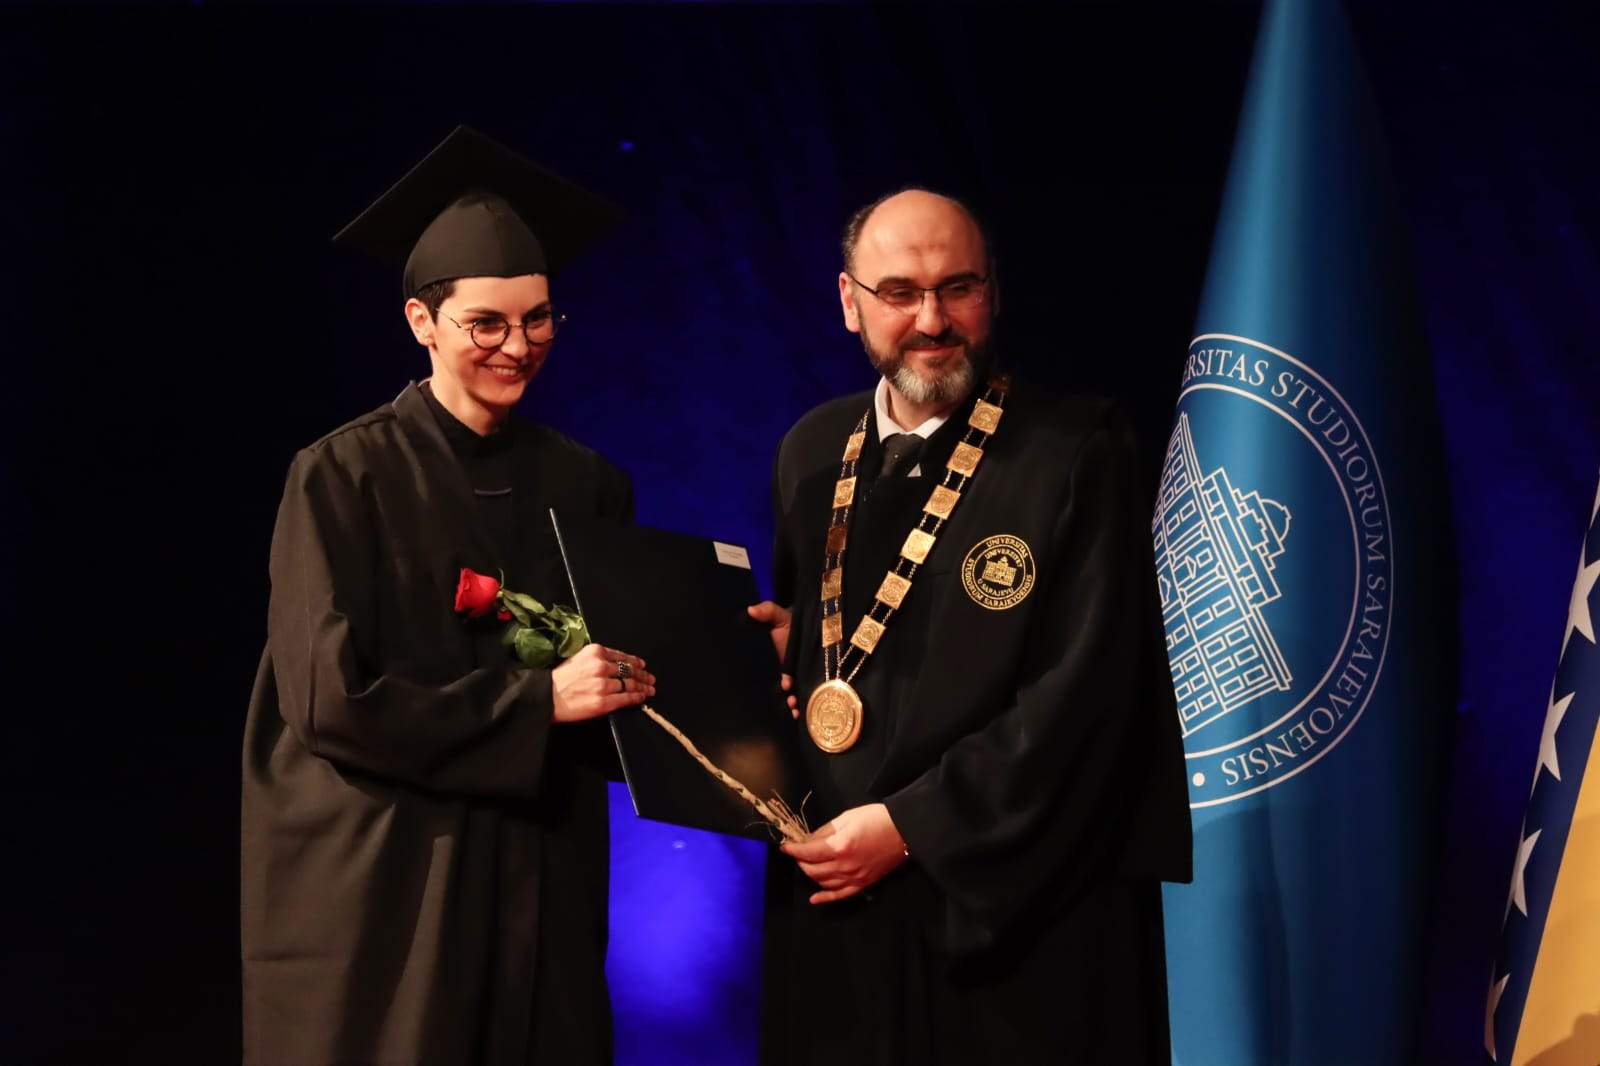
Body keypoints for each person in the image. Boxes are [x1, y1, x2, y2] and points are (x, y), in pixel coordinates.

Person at [748, 188, 1193, 1064]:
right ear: (849, 302)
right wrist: (773, 662)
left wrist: (911, 825)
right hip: (841, 896)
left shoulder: (1075, 452)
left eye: (958, 288)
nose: (931, 320)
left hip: (1011, 918)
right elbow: (821, 644)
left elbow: (1090, 694)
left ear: (994, 290)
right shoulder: (812, 452)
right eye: (899, 293)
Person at [241, 127, 654, 1066]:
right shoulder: (342, 476)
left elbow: (613, 686)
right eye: (487, 325)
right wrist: (535, 703)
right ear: (422, 322)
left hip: (539, 866)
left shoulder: (588, 484)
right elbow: (328, 697)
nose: (519, 346)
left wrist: (714, 672)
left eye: (539, 320)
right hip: (396, 873)